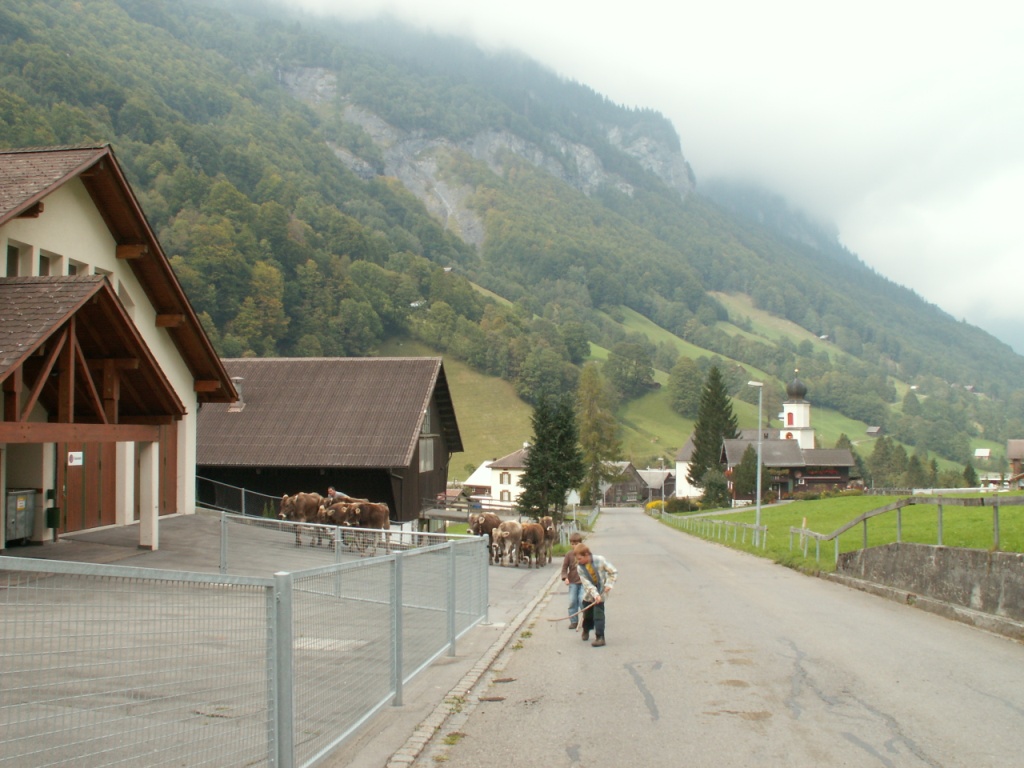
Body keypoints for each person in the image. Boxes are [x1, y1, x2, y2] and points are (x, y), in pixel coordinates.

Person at [574, 543, 618, 647]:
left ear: (586, 554)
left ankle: (600, 637)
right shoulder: (580, 568)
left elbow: (613, 572)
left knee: (599, 614)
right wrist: (595, 595)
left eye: (580, 559)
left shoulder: (600, 560)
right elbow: (587, 584)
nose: (578, 561)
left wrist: (609, 584)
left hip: (601, 592)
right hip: (589, 594)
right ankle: (586, 629)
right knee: (588, 615)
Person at [560, 532, 584, 629]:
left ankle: (586, 619)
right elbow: (564, 568)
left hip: (584, 582)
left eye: (576, 544)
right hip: (573, 582)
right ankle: (574, 621)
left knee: (582, 600)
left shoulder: (585, 554)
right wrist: (565, 577)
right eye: (572, 544)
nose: (574, 546)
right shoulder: (569, 555)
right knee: (572, 601)